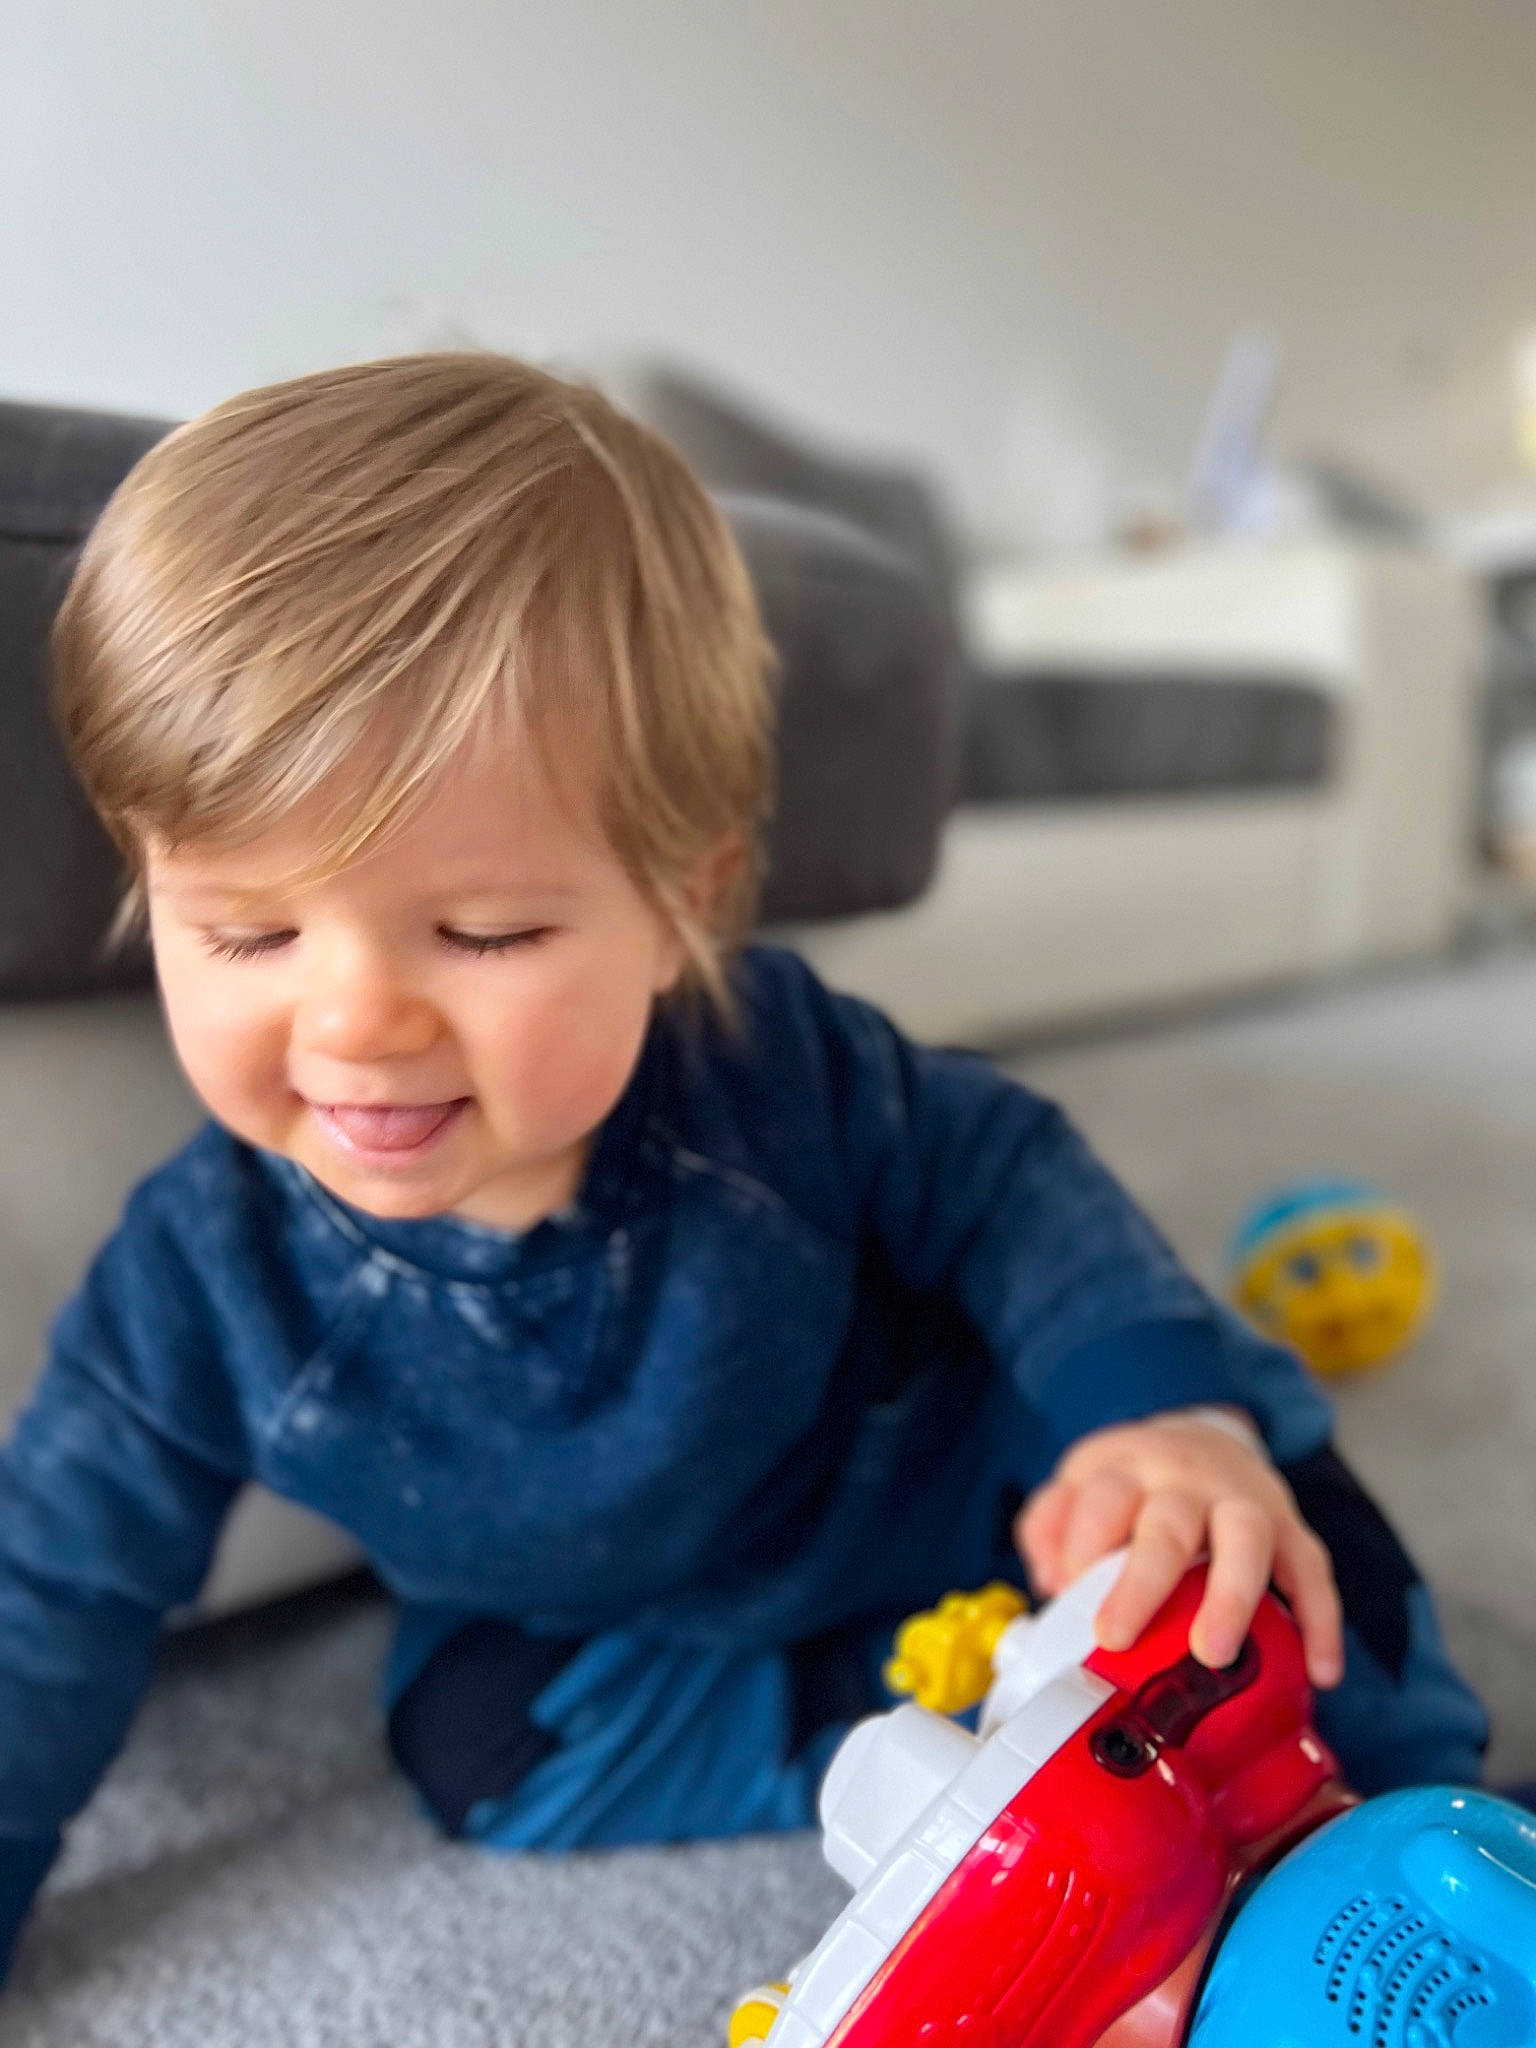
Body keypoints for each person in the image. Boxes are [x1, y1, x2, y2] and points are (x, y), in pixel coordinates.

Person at [0, 354, 1486, 1984]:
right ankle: (963, 1743)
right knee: (475, 1746)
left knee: (1233, 1524)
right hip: (640, 1617)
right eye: (246, 932)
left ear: (684, 908)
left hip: (970, 1490)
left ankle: (1408, 1834)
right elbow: (48, 1590)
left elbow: (1007, 1177)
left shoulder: (775, 1074)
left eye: (482, 931)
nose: (353, 1019)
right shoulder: (196, 1283)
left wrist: (1156, 1418)